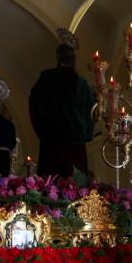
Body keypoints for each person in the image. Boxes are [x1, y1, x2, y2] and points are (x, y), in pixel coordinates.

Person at [28, 43, 95, 178]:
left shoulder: (47, 78)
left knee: (50, 188)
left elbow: (35, 104)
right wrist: (84, 132)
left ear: (58, 58)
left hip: (52, 144)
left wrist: (44, 130)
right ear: (74, 60)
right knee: (76, 188)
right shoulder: (83, 84)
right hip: (76, 146)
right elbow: (93, 112)